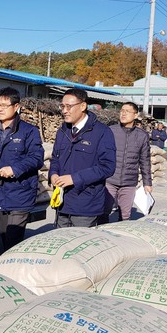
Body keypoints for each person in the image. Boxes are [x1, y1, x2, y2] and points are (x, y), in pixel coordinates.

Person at [0, 87, 44, 253]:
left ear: (16, 107)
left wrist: (14, 169)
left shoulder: (29, 131)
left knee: (13, 238)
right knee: (1, 235)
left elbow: (36, 158)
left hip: (20, 192)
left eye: (4, 105)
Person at [49, 88, 116, 228]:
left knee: (78, 247)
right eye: (62, 106)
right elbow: (55, 158)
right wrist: (53, 174)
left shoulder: (101, 132)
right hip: (62, 202)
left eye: (69, 106)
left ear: (83, 106)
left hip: (86, 204)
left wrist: (74, 179)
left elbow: (107, 167)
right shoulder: (63, 130)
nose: (64, 110)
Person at [105, 102, 153, 221]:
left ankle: (120, 238)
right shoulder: (110, 131)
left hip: (129, 182)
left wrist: (147, 182)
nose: (123, 113)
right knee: (104, 210)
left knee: (125, 215)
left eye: (127, 111)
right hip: (110, 179)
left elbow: (145, 160)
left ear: (135, 115)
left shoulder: (142, 135)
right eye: (122, 111)